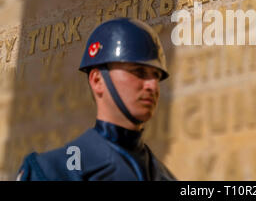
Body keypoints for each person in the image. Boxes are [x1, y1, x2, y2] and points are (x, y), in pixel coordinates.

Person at [16, 17, 177, 181]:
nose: (153, 85)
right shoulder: (52, 171)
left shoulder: (166, 177)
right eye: (139, 72)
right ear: (97, 80)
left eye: (156, 76)